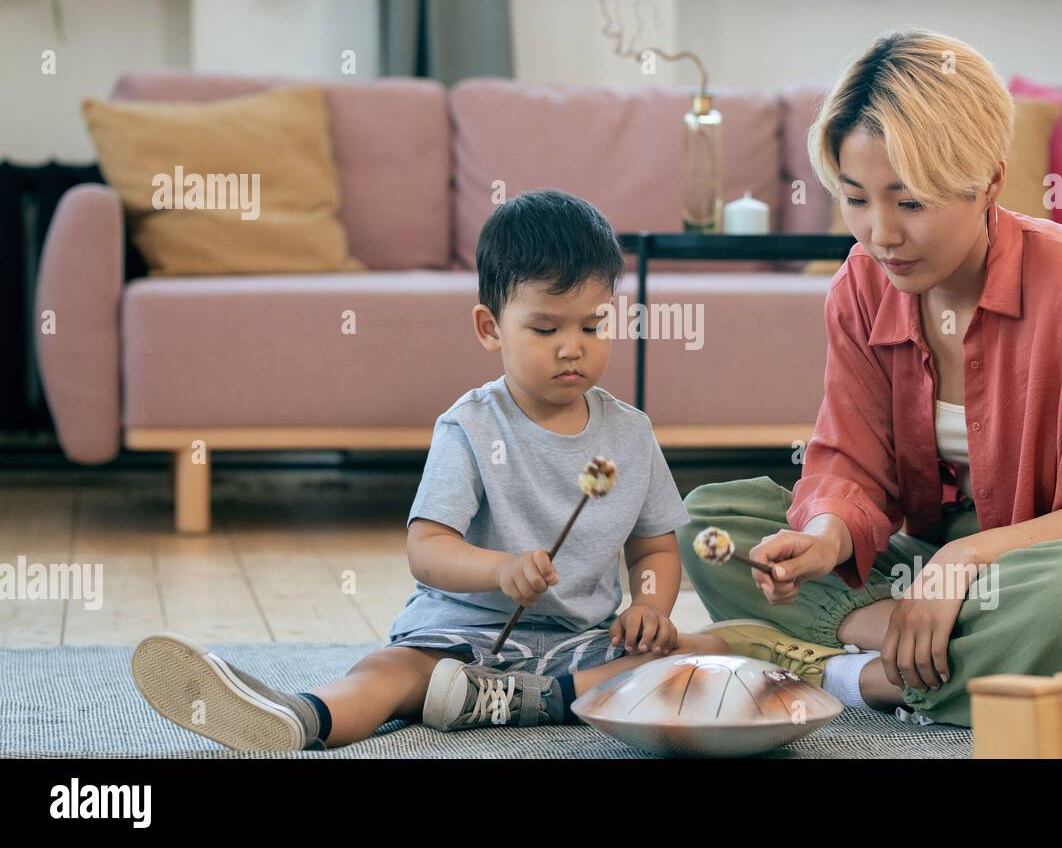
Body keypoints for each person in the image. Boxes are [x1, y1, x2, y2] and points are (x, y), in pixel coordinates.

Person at [683, 28, 1062, 728]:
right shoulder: (861, 284)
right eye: (856, 199)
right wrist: (825, 537)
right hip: (945, 575)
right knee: (711, 522)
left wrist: (966, 559)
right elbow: (850, 465)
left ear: (989, 182)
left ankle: (861, 677)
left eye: (910, 203)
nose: (880, 234)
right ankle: (972, 656)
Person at [131, 188, 727, 750]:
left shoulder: (631, 432)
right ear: (490, 328)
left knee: (702, 651)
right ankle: (301, 715)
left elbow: (654, 550)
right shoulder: (469, 426)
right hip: (461, 642)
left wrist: (650, 606)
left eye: (594, 326)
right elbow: (427, 548)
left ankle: (539, 698)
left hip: (581, 645)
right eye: (545, 328)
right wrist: (501, 570)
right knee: (392, 672)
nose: (573, 346)